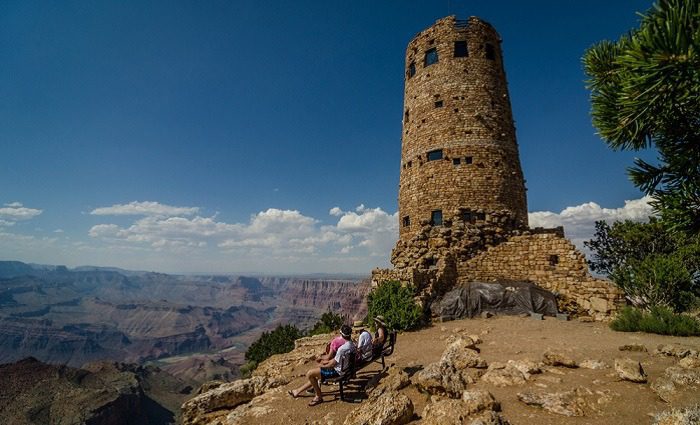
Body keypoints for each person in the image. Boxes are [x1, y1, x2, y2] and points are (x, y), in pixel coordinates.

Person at [288, 324, 356, 406]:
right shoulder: (352, 345)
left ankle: (318, 396)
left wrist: (321, 365)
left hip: (337, 372)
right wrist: (326, 362)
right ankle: (297, 391)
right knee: (315, 373)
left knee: (310, 374)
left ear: (341, 334)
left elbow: (332, 364)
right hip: (345, 369)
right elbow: (336, 361)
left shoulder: (342, 349)